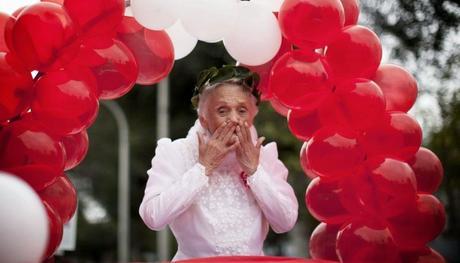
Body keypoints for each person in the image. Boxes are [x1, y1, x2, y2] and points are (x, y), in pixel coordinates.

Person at [139, 65, 298, 261]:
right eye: (222, 111)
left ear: (251, 116)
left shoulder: (263, 156)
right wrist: (202, 169)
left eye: (242, 110)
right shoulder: (176, 152)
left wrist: (254, 172)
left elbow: (285, 221)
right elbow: (153, 216)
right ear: (204, 119)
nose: (234, 120)